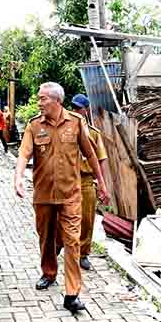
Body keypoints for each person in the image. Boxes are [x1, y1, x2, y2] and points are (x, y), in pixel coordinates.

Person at [14, 82, 109, 314]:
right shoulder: (34, 125)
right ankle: (49, 273)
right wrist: (18, 177)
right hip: (43, 194)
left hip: (70, 195)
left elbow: (91, 154)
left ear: (57, 100)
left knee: (72, 241)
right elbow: (24, 153)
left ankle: (72, 293)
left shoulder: (76, 123)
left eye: (43, 98)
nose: (39, 102)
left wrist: (102, 183)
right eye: (39, 98)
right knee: (46, 238)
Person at [57, 94, 108, 271]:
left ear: (86, 110)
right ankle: (58, 245)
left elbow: (101, 159)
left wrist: (102, 184)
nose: (76, 111)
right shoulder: (63, 131)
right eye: (74, 108)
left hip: (86, 180)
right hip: (67, 180)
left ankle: (83, 253)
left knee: (87, 219)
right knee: (61, 217)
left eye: (79, 108)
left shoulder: (93, 133)